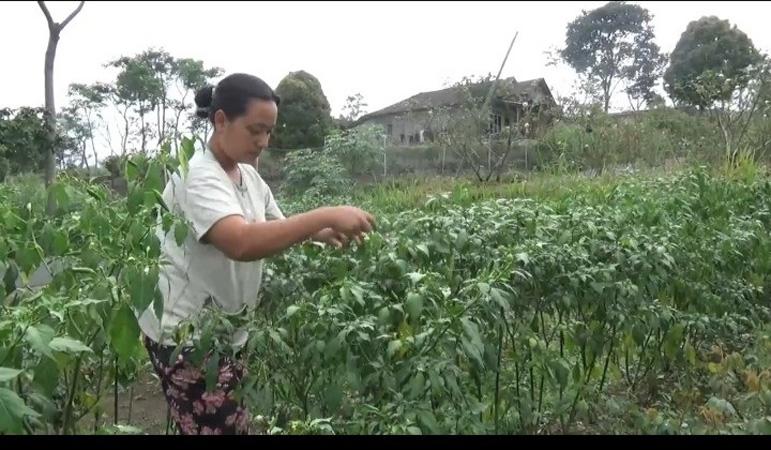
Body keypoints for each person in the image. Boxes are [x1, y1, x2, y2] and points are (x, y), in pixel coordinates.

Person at [137, 73, 376, 435]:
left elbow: (277, 227)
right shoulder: (198, 176)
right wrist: (326, 213)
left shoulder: (246, 176)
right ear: (220, 121)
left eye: (269, 131)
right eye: (255, 130)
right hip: (186, 336)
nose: (264, 141)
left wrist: (320, 233)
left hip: (224, 330)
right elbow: (243, 242)